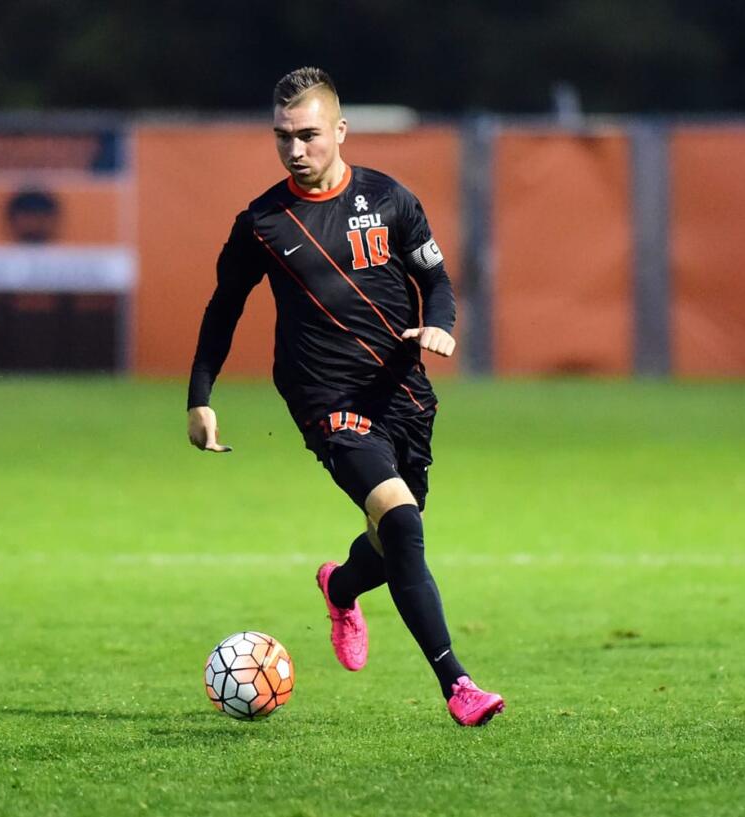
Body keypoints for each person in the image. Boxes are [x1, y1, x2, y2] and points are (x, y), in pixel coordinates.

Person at [187, 67, 503, 726]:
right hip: (321, 393)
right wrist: (201, 394)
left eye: (307, 135)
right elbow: (223, 309)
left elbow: (437, 279)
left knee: (392, 542)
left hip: (402, 393)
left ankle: (340, 584)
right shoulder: (263, 223)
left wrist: (440, 325)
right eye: (282, 138)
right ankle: (459, 685)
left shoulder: (390, 200)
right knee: (403, 524)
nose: (294, 150)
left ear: (340, 130)